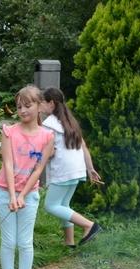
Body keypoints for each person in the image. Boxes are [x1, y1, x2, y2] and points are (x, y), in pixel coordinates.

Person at [0, 85, 54, 269]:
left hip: (29, 195)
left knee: (25, 241)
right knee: (9, 240)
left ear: (40, 106)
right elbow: (8, 164)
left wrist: (22, 195)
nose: (22, 111)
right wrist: (12, 195)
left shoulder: (47, 136)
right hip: (5, 192)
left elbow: (38, 170)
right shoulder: (9, 131)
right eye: (19, 107)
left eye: (27, 106)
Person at [41, 87, 103, 249]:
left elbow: (51, 151)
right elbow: (83, 145)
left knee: (51, 206)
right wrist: (90, 169)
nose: (41, 106)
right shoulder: (71, 121)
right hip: (77, 168)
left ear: (51, 103)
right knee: (64, 205)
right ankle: (69, 242)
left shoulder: (49, 124)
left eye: (43, 102)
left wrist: (37, 159)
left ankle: (88, 225)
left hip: (63, 170)